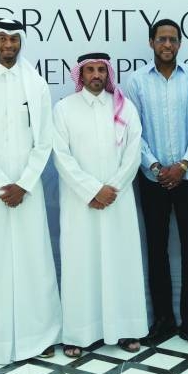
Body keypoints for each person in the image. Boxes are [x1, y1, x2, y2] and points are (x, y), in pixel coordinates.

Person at [0, 18, 61, 364]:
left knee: (34, 260)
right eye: (2, 39)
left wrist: (23, 183)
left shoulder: (35, 84)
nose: (9, 45)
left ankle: (41, 336)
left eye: (14, 39)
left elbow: (44, 140)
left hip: (26, 189)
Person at [53, 52, 148, 357]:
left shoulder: (124, 107)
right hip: (81, 203)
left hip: (117, 201)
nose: (96, 75)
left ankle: (126, 329)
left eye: (101, 70)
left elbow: (134, 153)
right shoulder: (64, 109)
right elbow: (61, 156)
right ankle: (79, 334)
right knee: (82, 265)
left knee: (121, 264)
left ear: (108, 74)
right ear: (80, 74)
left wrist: (113, 188)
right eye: (90, 70)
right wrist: (92, 190)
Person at [123, 18, 188, 351]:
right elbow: (134, 132)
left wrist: (183, 165)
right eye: (162, 39)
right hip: (152, 178)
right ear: (151, 42)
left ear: (180, 44)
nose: (167, 45)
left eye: (173, 39)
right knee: (156, 251)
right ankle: (163, 320)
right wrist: (157, 167)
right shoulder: (136, 83)